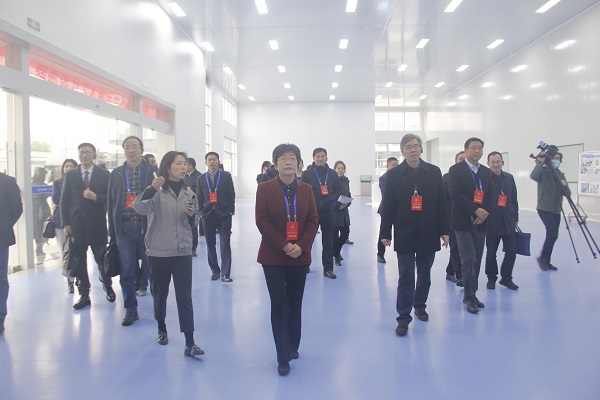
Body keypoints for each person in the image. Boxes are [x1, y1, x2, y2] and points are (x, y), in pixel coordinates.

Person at [255, 143, 319, 376]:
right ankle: (282, 355)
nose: (288, 162)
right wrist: (284, 244)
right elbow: (261, 220)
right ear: (275, 164)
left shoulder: (306, 189)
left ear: (299, 164)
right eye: (283, 158)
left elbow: (313, 220)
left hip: (299, 256)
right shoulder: (264, 188)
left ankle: (293, 344)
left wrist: (301, 246)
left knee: (295, 302)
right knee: (279, 304)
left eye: (292, 158)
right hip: (273, 255)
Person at [133, 151, 204, 357]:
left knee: (185, 297)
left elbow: (194, 222)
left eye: (184, 164)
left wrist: (191, 217)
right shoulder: (156, 192)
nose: (183, 167)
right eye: (178, 164)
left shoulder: (189, 194)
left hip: (182, 252)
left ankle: (190, 342)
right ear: (167, 167)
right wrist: (150, 189)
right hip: (159, 252)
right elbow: (139, 208)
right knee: (160, 294)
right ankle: (161, 327)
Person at [380, 134, 449, 336]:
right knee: (406, 276)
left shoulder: (434, 172)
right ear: (402, 150)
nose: (413, 150)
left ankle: (420, 305)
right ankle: (403, 317)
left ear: (421, 149)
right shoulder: (394, 175)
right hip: (405, 231)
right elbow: (388, 206)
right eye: (408, 147)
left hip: (429, 230)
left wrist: (445, 230)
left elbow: (442, 203)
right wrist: (385, 232)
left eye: (416, 146)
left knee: (425, 274)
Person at [107, 136, 158, 326]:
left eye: (134, 147)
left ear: (142, 150)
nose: (131, 150)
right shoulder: (117, 173)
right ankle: (130, 309)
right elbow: (111, 202)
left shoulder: (152, 171)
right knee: (126, 271)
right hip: (124, 228)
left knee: (152, 269)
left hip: (147, 228)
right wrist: (112, 230)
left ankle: (158, 306)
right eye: (127, 147)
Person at [61, 143, 114, 310]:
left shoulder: (104, 174)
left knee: (102, 259)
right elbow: (64, 200)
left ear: (94, 155)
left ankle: (108, 286)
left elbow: (111, 197)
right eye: (81, 152)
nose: (84, 155)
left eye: (87, 152)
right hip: (76, 226)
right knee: (80, 262)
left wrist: (95, 197)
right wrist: (66, 223)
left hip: (97, 224)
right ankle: (84, 294)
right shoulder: (70, 175)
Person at [447, 137, 492, 314]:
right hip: (463, 222)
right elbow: (456, 195)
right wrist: (475, 210)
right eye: (473, 148)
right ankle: (469, 296)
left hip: (480, 222)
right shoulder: (456, 170)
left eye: (480, 148)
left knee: (478, 258)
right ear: (465, 150)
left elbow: (490, 195)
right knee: (468, 259)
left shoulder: (486, 172)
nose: (477, 151)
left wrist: (483, 212)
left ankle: (473, 293)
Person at [301, 147, 341, 279]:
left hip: (329, 213)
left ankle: (328, 269)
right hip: (312, 213)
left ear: (326, 157)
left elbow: (338, 190)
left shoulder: (332, 174)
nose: (320, 158)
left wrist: (333, 202)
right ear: (313, 158)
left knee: (328, 242)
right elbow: (302, 192)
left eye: (322, 156)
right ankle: (304, 265)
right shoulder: (307, 174)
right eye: (317, 156)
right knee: (308, 240)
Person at [196, 152, 236, 282]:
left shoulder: (226, 176)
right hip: (208, 215)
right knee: (210, 244)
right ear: (206, 162)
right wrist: (201, 212)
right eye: (209, 160)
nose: (212, 162)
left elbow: (231, 193)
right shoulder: (201, 179)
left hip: (224, 214)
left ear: (218, 161)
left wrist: (231, 211)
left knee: (225, 244)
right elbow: (199, 197)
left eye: (214, 159)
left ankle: (226, 273)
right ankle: (215, 271)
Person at [484, 152, 519, 290]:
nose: (495, 164)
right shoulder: (484, 179)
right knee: (491, 253)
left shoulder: (509, 178)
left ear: (502, 163)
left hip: (508, 220)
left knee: (512, 251)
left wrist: (515, 217)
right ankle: (491, 278)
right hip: (491, 221)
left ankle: (506, 278)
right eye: (492, 162)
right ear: (488, 164)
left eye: (498, 161)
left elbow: (514, 199)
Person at [530, 150, 570, 271]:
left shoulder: (560, 175)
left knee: (553, 234)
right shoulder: (543, 172)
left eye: (558, 158)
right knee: (552, 233)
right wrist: (540, 162)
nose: (556, 160)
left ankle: (545, 259)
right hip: (544, 208)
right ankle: (543, 258)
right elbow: (533, 176)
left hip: (556, 209)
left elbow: (567, 194)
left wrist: (564, 186)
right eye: (554, 158)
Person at [0, 172, 23, 332]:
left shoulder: (7, 182)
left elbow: (17, 209)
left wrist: (5, 225)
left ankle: (0, 315)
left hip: (1, 235)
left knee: (0, 276)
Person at [52, 159, 78, 293]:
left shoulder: (80, 181)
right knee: (65, 251)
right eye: (66, 166)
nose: (68, 168)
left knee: (78, 251)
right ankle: (69, 280)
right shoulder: (58, 183)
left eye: (71, 166)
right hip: (61, 221)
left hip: (77, 220)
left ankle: (79, 276)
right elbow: (56, 199)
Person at [443, 151, 465, 286]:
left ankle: (450, 271)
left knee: (461, 247)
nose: (462, 161)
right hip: (451, 218)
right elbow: (442, 200)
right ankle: (460, 275)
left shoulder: (471, 178)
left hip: (467, 218)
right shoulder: (447, 178)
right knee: (456, 247)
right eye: (460, 159)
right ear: (455, 161)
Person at [377, 157, 399, 264]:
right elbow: (386, 194)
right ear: (387, 166)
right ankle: (380, 254)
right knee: (384, 231)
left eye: (396, 165)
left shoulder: (401, 177)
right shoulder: (383, 178)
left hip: (399, 210)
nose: (395, 167)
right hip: (387, 209)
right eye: (393, 165)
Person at [333, 161, 351, 266]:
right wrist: (337, 205)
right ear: (335, 169)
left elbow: (348, 194)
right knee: (334, 236)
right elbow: (329, 196)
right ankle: (336, 256)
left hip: (344, 211)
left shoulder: (346, 180)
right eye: (338, 168)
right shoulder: (331, 180)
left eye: (342, 168)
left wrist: (347, 203)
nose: (340, 170)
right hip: (334, 212)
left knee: (345, 234)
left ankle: (336, 251)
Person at [32, 166, 51, 261]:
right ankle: (39, 248)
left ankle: (39, 247)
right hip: (37, 209)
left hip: (42, 208)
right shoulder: (33, 185)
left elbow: (50, 193)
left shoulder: (43, 185)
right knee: (39, 228)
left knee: (42, 228)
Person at [184, 157, 202, 256]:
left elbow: (200, 192)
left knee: (193, 226)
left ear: (190, 166)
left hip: (194, 203)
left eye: (185, 164)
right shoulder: (183, 176)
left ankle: (193, 248)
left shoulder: (199, 176)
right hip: (184, 203)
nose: (183, 167)